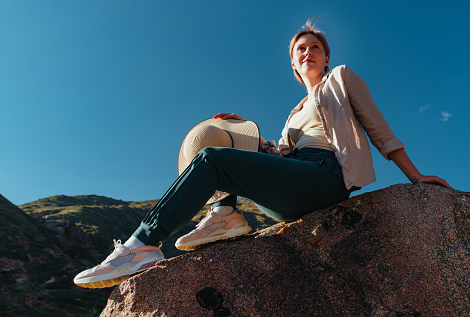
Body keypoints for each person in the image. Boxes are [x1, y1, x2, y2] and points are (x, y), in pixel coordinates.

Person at [74, 19, 450, 289]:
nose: (308, 52)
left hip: (326, 175)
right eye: (300, 49)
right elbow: (276, 159)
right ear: (292, 62)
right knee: (218, 144)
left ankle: (142, 245)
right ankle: (225, 214)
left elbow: (377, 127)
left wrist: (414, 176)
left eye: (314, 47)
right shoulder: (291, 116)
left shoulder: (341, 80)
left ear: (326, 56)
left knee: (213, 160)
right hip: (293, 192)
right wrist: (246, 130)